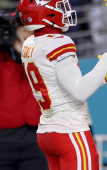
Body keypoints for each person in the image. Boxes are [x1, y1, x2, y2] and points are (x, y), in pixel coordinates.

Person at [17, 0, 107, 170]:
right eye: (59, 7)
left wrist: (103, 78)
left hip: (47, 132)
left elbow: (62, 85)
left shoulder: (29, 44)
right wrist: (105, 60)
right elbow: (79, 92)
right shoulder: (58, 42)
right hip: (69, 132)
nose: (65, 11)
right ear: (46, 13)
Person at [0, 10, 48, 170]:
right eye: (19, 26)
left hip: (35, 135)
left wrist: (25, 52)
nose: (24, 30)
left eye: (26, 25)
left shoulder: (42, 51)